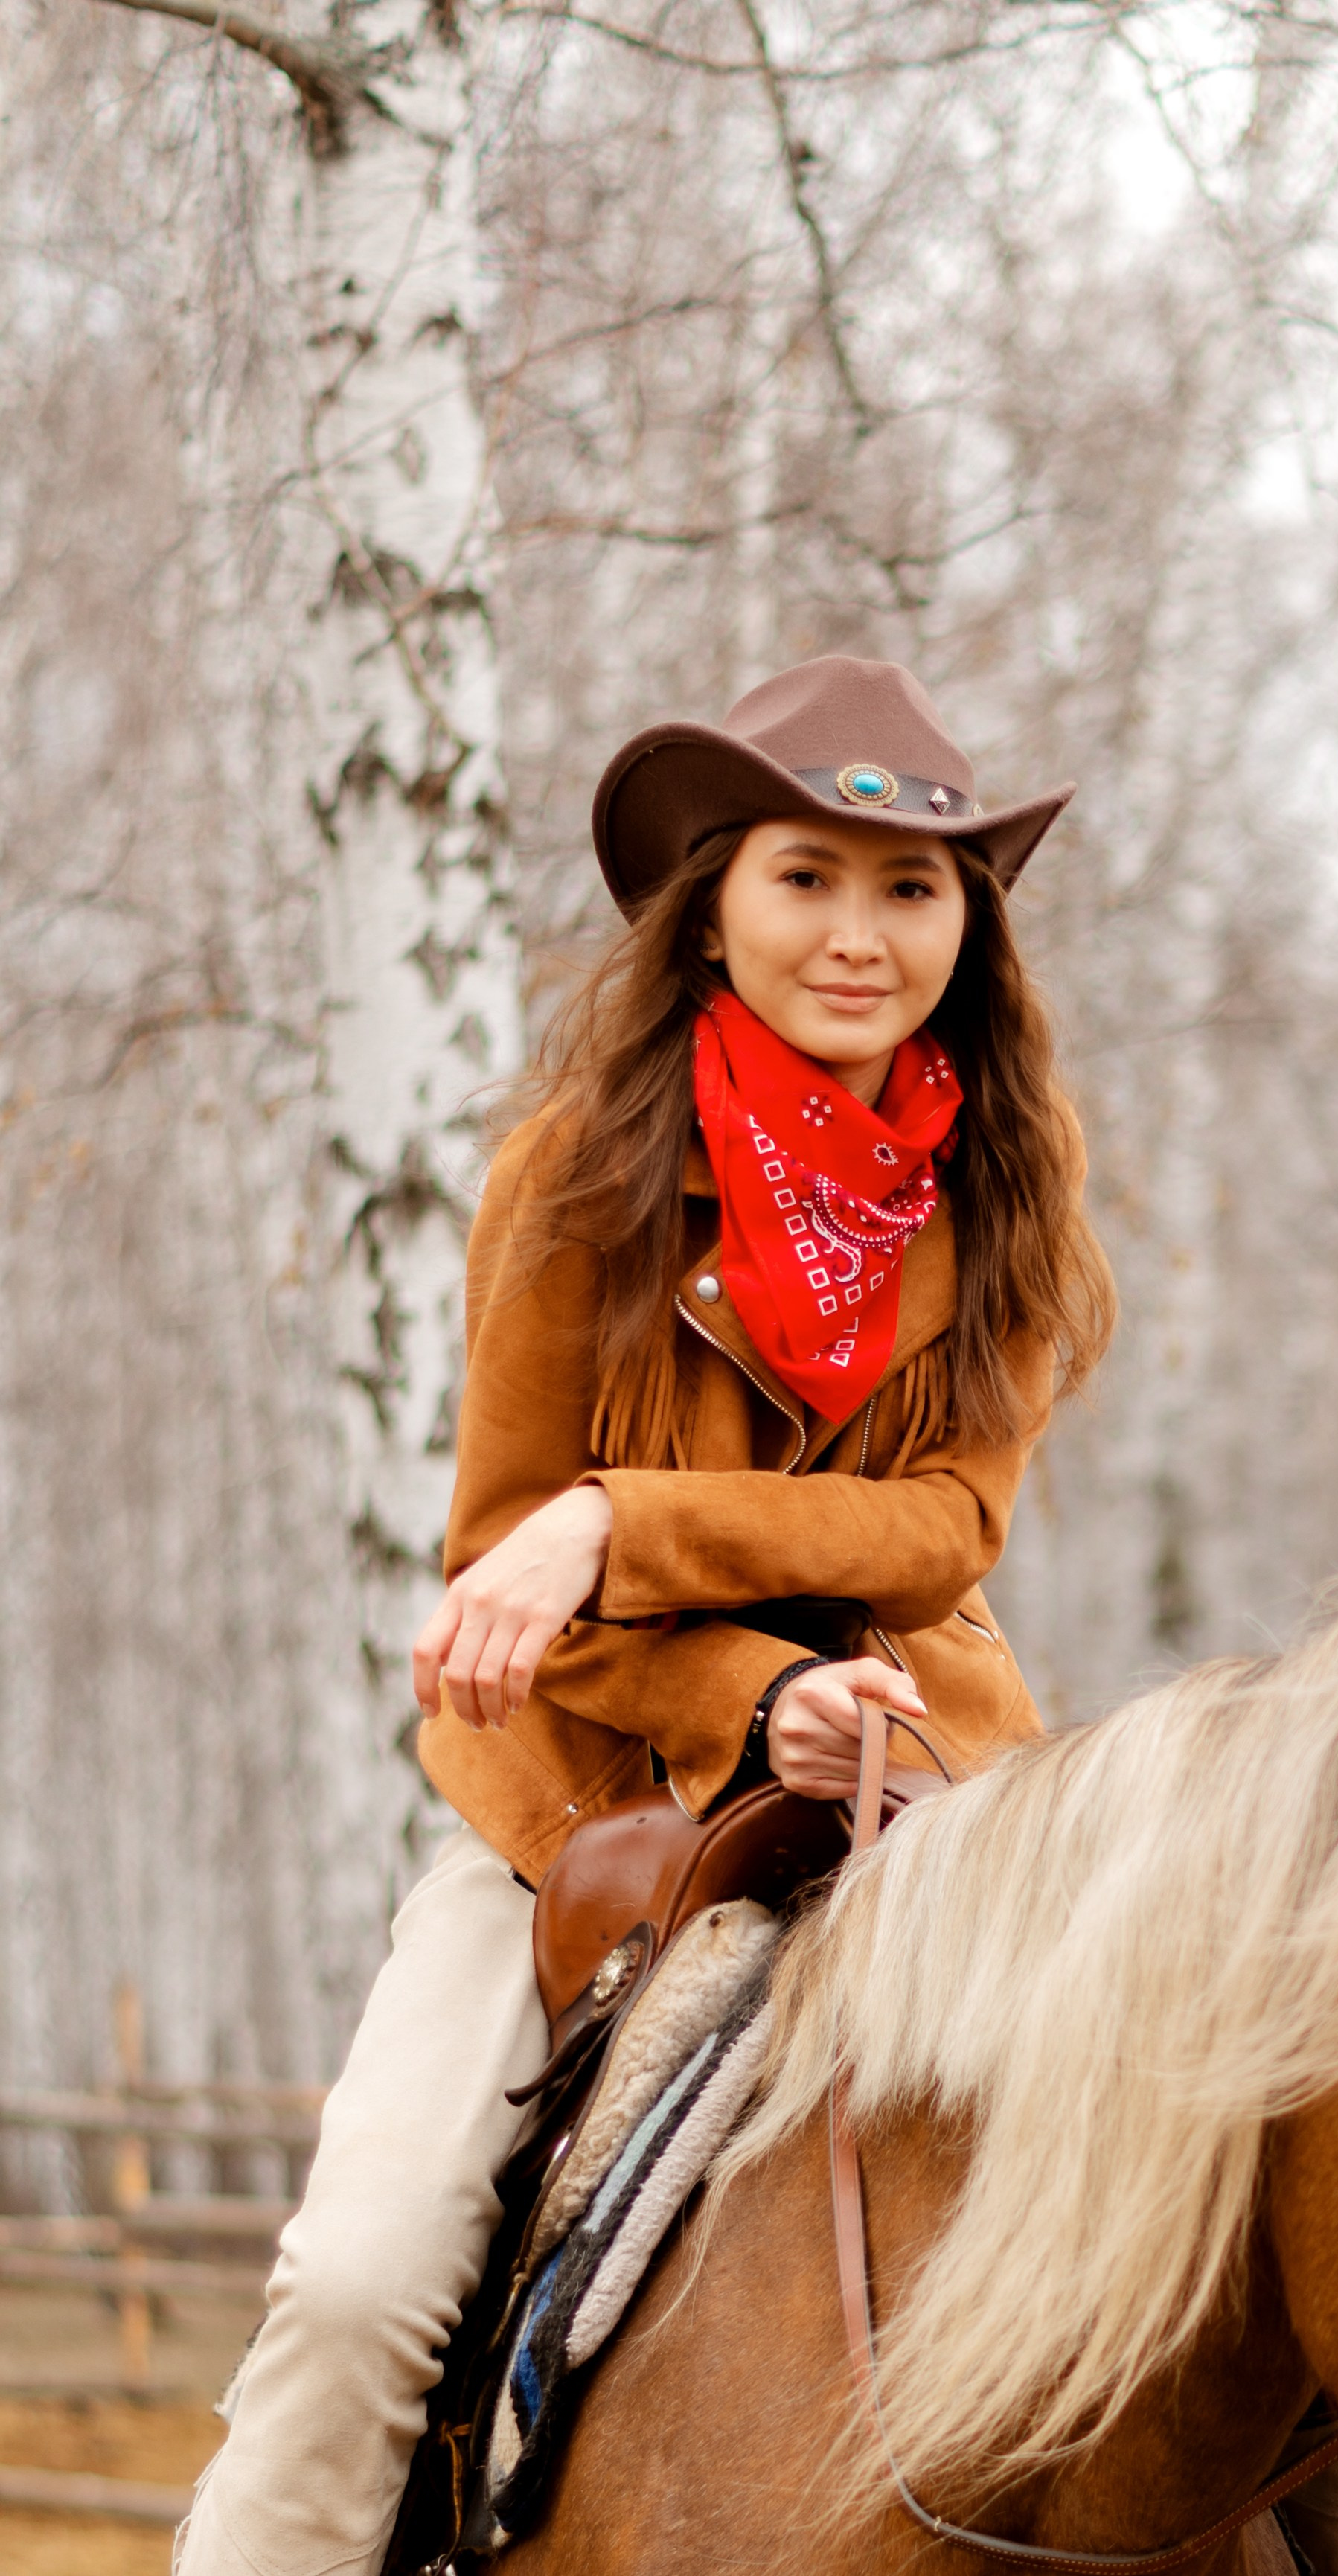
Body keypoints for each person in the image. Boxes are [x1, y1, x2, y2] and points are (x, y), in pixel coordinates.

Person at [175, 653, 1114, 2576]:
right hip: (585, 1793)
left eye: (911, 888)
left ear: (970, 922)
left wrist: (620, 1520)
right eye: (806, 877)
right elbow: (498, 1587)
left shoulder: (1006, 1181)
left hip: (932, 1763)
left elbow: (943, 1528)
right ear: (714, 899)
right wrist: (739, 1689)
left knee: (1208, 2186)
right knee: (357, 2288)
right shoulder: (574, 1179)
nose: (859, 935)